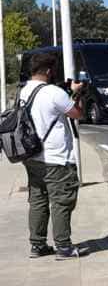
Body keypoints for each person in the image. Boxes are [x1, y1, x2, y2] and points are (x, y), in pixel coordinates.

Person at [19, 52, 86, 259]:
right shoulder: (54, 93)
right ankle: (63, 246)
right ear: (49, 71)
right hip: (56, 158)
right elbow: (77, 113)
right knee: (62, 201)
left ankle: (37, 245)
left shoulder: (23, 91)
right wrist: (77, 94)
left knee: (38, 200)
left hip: (32, 157)